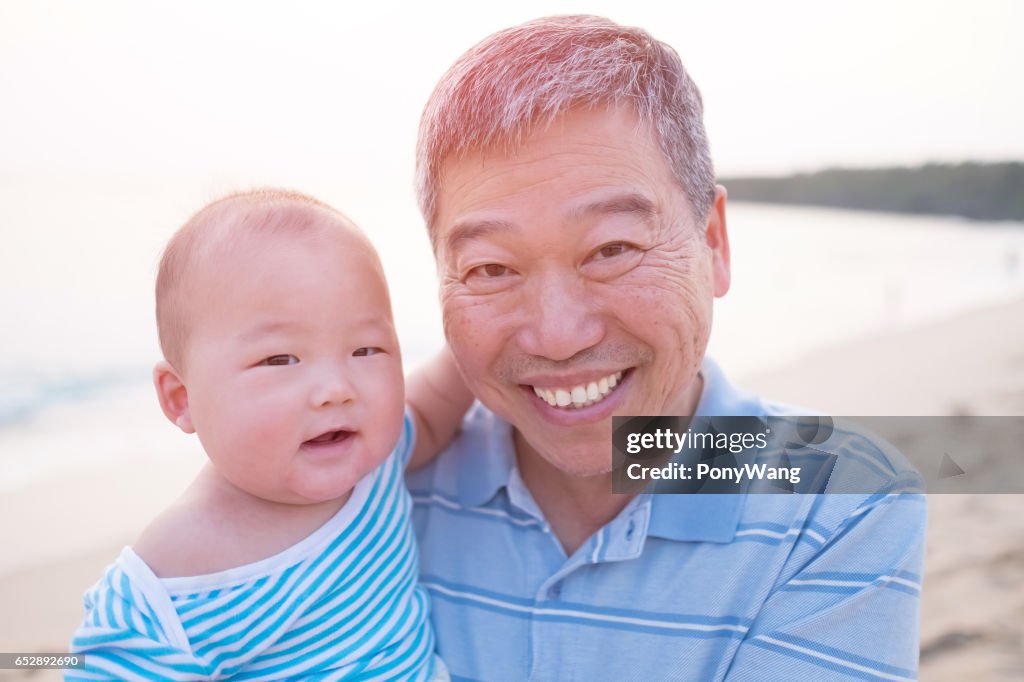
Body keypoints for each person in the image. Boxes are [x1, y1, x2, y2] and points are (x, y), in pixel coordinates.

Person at [407, 15, 926, 680]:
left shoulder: (839, 504)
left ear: (713, 244)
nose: (559, 335)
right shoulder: (377, 488)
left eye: (612, 250)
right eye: (492, 268)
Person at [69, 189, 470, 680]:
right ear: (181, 398)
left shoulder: (375, 464)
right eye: (280, 360)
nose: (335, 389)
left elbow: (440, 400)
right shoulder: (171, 583)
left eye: (366, 349)